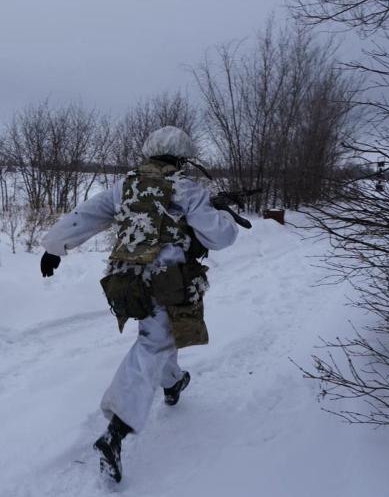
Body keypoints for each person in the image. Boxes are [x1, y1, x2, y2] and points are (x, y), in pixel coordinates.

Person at [39, 126, 239, 483]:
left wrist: (53, 247)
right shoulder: (185, 188)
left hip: (126, 281)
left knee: (161, 334)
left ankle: (173, 382)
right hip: (167, 280)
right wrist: (222, 216)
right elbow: (220, 237)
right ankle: (116, 431)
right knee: (154, 342)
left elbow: (84, 216)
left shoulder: (125, 187)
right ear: (181, 157)